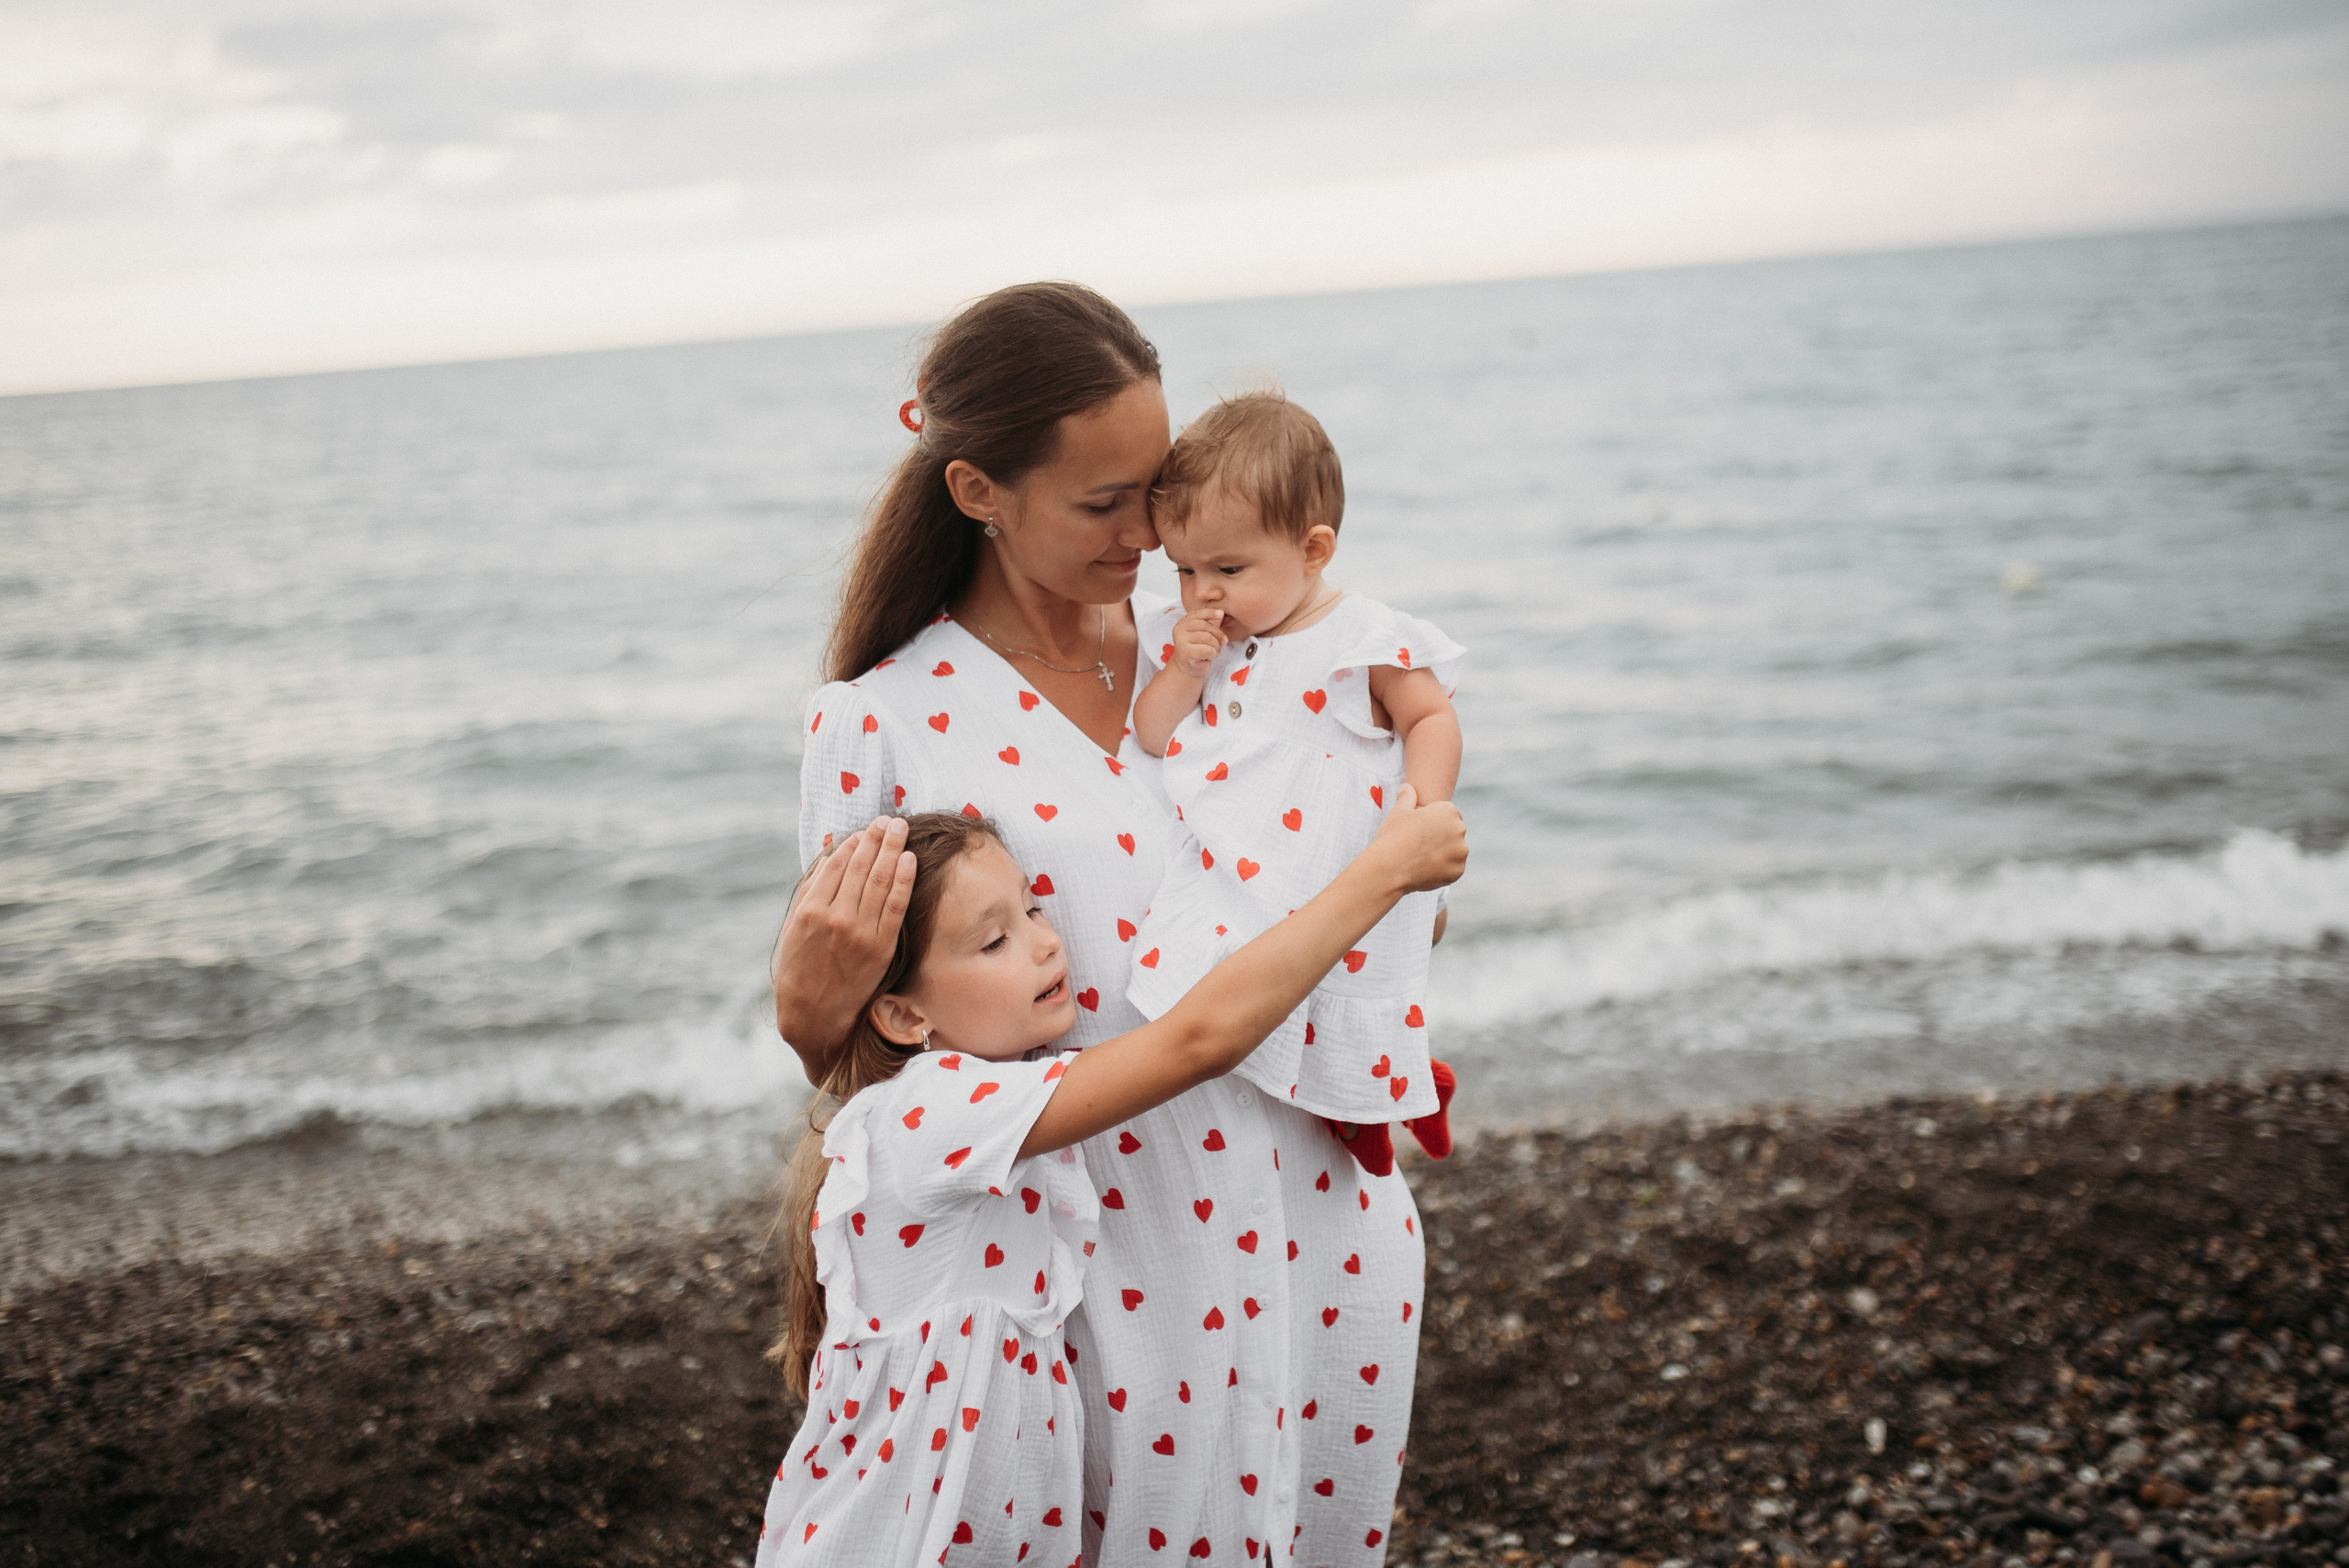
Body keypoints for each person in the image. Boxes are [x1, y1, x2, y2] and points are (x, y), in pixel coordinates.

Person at [774, 282, 1442, 1563]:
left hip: (1318, 1203)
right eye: (1105, 502)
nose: (1152, 531)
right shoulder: (884, 721)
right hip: (1109, 1256)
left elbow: (1339, 855)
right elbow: (865, 1064)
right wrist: (804, 1005)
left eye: (1160, 483)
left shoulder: (1222, 635)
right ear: (978, 491)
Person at [757, 800, 1464, 1564]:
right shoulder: (928, 1113)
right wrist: (1384, 872)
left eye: (1033, 908)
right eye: (996, 939)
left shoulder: (987, 1106)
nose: (1046, 942)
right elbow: (1199, 1040)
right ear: (901, 1014)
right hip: (892, 1539)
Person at [1129, 388, 1464, 1179]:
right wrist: (1184, 667)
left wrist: (1421, 807)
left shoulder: (1364, 635)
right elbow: (1152, 733)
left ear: (1314, 550)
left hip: (1351, 855)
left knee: (1355, 991)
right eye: (1183, 568)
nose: (1202, 592)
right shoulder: (1213, 645)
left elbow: (1432, 719)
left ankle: (1400, 1093)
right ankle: (1363, 1104)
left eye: (1229, 568)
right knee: (1252, 992)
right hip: (1253, 864)